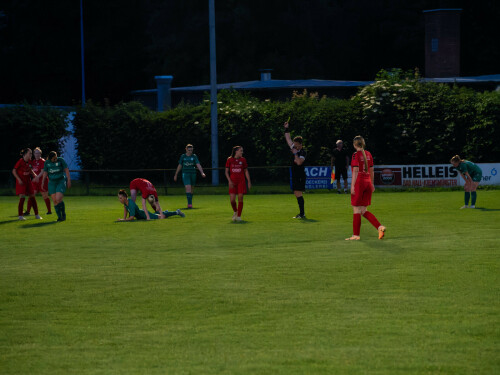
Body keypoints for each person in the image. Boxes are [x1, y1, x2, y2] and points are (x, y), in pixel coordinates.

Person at [346, 135, 386, 240]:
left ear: (354, 145)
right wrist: (372, 184)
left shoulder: (355, 155)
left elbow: (355, 171)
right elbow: (372, 170)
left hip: (359, 183)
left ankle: (356, 235)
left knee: (356, 209)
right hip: (367, 182)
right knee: (363, 210)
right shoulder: (368, 154)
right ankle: (379, 227)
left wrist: (352, 186)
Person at [284, 121, 307, 219]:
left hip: (300, 175)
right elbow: (288, 139)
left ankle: (302, 214)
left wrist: (295, 154)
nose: (294, 145)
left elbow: (299, 162)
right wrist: (286, 128)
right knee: (296, 193)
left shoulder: (302, 152)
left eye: (296, 144)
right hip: (295, 175)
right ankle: (301, 213)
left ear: (300, 144)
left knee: (298, 193)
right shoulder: (295, 148)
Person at [39, 151, 71, 222]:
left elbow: (66, 169)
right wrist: (43, 181)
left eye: (56, 158)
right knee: (55, 201)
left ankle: (63, 214)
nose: (55, 159)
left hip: (61, 181)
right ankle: (59, 217)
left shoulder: (61, 160)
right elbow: (45, 172)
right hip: (52, 183)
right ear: (50, 159)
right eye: (54, 159)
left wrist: (68, 180)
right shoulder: (47, 163)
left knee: (58, 198)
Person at [117, 189, 184, 221]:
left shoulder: (130, 203)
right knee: (159, 214)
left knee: (162, 217)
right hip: (142, 216)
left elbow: (132, 217)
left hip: (145, 215)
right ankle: (164, 212)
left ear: (125, 197)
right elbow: (125, 211)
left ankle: (177, 212)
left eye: (121, 198)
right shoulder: (125, 203)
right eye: (119, 198)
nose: (119, 199)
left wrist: (123, 220)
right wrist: (124, 219)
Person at [12, 148, 41, 220]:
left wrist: (35, 175)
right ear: (25, 154)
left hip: (28, 181)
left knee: (32, 196)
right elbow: (14, 171)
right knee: (22, 197)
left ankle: (37, 215)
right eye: (30, 153)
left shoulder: (30, 161)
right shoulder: (20, 161)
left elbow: (30, 169)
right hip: (21, 182)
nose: (31, 155)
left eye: (31, 153)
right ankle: (20, 216)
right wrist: (18, 179)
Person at [173, 144, 206, 208]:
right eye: (189, 150)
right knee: (188, 187)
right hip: (185, 173)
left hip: (193, 173)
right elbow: (180, 165)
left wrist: (202, 172)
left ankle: (190, 202)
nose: (190, 151)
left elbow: (198, 164)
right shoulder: (183, 156)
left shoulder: (194, 156)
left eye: (191, 150)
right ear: (186, 149)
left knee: (191, 189)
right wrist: (176, 174)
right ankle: (189, 204)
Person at [225, 146, 251, 221]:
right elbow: (226, 172)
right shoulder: (229, 159)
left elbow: (246, 171)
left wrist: (248, 181)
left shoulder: (243, 160)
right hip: (232, 182)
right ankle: (235, 211)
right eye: (241, 151)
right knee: (232, 200)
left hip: (241, 181)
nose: (242, 152)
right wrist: (229, 181)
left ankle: (239, 216)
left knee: (240, 198)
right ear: (236, 151)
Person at [24, 147, 52, 216]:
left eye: (38, 153)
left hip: (43, 181)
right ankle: (28, 211)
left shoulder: (42, 161)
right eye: (36, 153)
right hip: (35, 182)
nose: (37, 154)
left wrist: (37, 177)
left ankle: (49, 211)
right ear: (34, 154)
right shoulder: (33, 161)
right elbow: (30, 169)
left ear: (40, 154)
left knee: (45, 196)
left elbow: (43, 171)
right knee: (31, 195)